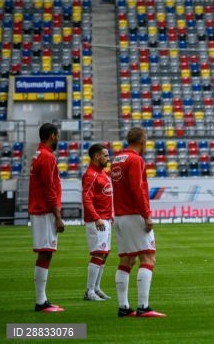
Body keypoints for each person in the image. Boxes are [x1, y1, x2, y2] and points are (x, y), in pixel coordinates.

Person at [110, 127, 165, 318]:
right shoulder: (135, 160)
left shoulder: (117, 159)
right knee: (148, 258)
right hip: (134, 215)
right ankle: (143, 306)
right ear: (142, 141)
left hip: (120, 215)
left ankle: (124, 307)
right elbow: (137, 189)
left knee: (127, 260)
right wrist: (146, 214)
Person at [28, 123, 65, 312]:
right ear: (52, 136)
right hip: (45, 211)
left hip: (42, 209)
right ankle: (41, 301)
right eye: (57, 135)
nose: (58, 139)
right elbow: (49, 189)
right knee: (45, 252)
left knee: (46, 251)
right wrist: (57, 215)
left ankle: (42, 300)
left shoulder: (39, 154)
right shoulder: (47, 157)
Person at [81, 143, 114, 301]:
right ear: (96, 156)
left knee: (104, 254)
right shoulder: (90, 175)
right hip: (97, 221)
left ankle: (96, 288)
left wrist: (110, 215)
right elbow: (87, 199)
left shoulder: (103, 173)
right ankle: (89, 291)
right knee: (98, 253)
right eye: (105, 155)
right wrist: (96, 218)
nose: (108, 158)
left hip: (105, 219)